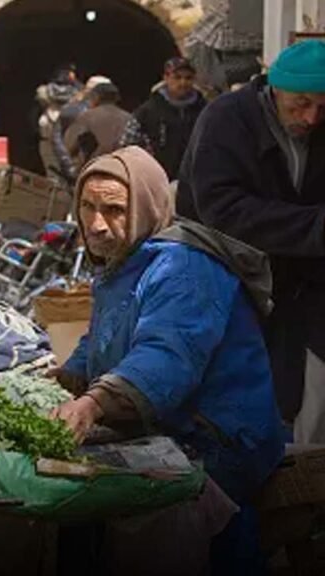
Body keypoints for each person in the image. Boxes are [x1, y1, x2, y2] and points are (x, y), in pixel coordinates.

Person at [51, 147, 284, 575]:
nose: (96, 224)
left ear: (146, 206)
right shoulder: (126, 260)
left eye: (114, 210)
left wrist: (94, 402)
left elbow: (165, 356)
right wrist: (69, 374)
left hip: (219, 438)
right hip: (170, 424)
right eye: (87, 206)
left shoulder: (183, 268)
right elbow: (106, 332)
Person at [176, 40, 325, 444]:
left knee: (304, 405)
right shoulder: (226, 119)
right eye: (301, 104)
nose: (311, 118)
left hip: (305, 291)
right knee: (236, 400)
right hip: (230, 281)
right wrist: (315, 228)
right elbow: (221, 209)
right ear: (275, 89)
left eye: (322, 107)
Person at [119, 57, 206, 180]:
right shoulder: (147, 111)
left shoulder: (206, 110)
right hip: (158, 180)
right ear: (166, 78)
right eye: (177, 77)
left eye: (188, 78)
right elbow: (127, 148)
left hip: (197, 179)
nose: (183, 83)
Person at [52, 75, 111, 182]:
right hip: (76, 167)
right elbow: (58, 136)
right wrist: (69, 164)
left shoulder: (75, 107)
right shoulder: (79, 111)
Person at [65, 81, 131, 169]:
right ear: (117, 98)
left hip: (95, 168)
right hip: (123, 167)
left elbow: (71, 146)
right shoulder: (128, 117)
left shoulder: (87, 117)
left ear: (96, 97)